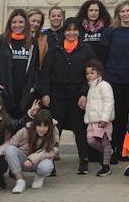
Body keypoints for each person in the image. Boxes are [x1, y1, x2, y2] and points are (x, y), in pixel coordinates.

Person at [37, 18, 96, 174]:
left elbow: (90, 75)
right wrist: (45, 93)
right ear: (64, 32)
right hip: (57, 95)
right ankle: (49, 161)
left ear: (79, 32)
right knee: (55, 129)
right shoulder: (55, 49)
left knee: (79, 129)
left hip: (77, 95)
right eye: (68, 30)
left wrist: (84, 94)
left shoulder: (86, 50)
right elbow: (46, 73)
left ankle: (83, 160)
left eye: (74, 30)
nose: (71, 33)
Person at [101, 0, 129, 162]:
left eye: (128, 11)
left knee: (125, 115)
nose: (125, 14)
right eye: (122, 11)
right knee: (114, 115)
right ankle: (110, 149)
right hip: (113, 79)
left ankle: (122, 149)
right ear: (118, 13)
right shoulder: (110, 31)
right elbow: (103, 55)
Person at [0, 8, 40, 119]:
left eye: (21, 22)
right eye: (14, 22)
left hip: (24, 93)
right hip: (5, 91)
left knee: (22, 127)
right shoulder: (0, 41)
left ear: (26, 24)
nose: (17, 25)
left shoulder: (32, 43)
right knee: (4, 126)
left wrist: (34, 86)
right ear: (9, 23)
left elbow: (35, 67)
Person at [2, 109, 59, 192]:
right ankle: (20, 180)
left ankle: (39, 176)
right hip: (24, 158)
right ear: (35, 124)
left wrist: (34, 158)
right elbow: (10, 143)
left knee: (46, 166)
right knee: (9, 150)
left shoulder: (54, 131)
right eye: (39, 126)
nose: (42, 129)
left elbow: (54, 150)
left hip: (41, 159)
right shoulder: (26, 129)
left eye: (45, 126)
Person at [83, 60, 115, 177]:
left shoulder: (104, 86)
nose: (89, 75)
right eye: (87, 73)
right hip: (92, 121)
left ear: (99, 73)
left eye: (92, 73)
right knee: (90, 140)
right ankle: (107, 152)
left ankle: (106, 166)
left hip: (102, 120)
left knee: (105, 141)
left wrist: (105, 119)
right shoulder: (91, 88)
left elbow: (109, 102)